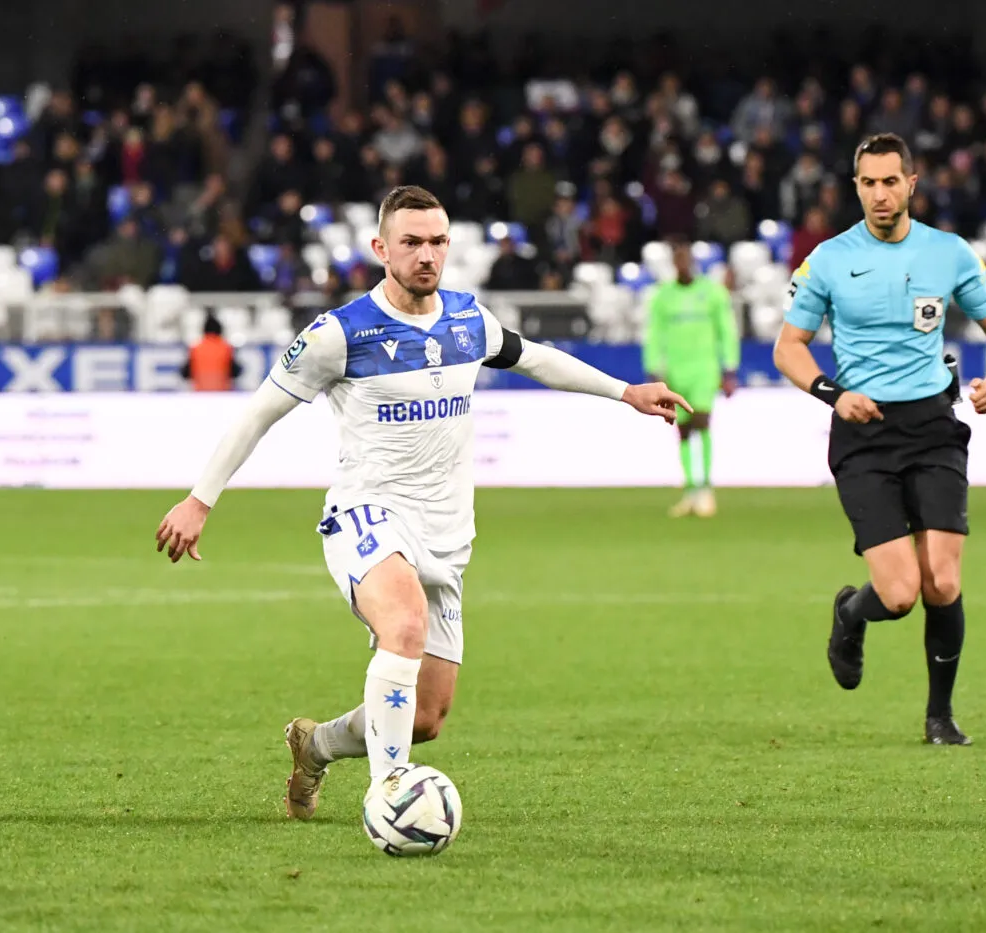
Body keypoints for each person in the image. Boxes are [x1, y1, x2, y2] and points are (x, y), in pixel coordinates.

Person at [153, 186, 689, 819]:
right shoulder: (338, 334)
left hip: (446, 537)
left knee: (425, 717)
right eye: (411, 242)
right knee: (402, 627)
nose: (426, 255)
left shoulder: (467, 321)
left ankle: (315, 745)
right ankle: (391, 796)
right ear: (382, 248)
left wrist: (624, 391)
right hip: (366, 516)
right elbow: (258, 413)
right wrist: (199, 500)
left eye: (437, 242)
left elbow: (535, 359)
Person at [773, 134, 986, 746]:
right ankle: (851, 614)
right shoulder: (828, 259)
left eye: (890, 182)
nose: (879, 194)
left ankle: (940, 717)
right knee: (902, 593)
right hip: (864, 434)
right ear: (854, 187)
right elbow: (788, 348)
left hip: (934, 426)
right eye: (867, 183)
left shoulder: (949, 253)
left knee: (943, 582)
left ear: (912, 183)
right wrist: (833, 394)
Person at [643, 239, 740, 517]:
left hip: (704, 369)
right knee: (682, 430)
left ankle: (706, 488)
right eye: (678, 259)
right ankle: (690, 490)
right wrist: (653, 368)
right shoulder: (663, 295)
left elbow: (726, 331)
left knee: (702, 423)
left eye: (686, 259)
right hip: (675, 370)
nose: (682, 264)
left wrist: (729, 368)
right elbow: (654, 334)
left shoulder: (712, 293)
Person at [180, 312, 241, 391]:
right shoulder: (226, 348)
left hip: (200, 394)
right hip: (222, 394)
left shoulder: (195, 348)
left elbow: (185, 373)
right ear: (220, 330)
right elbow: (235, 372)